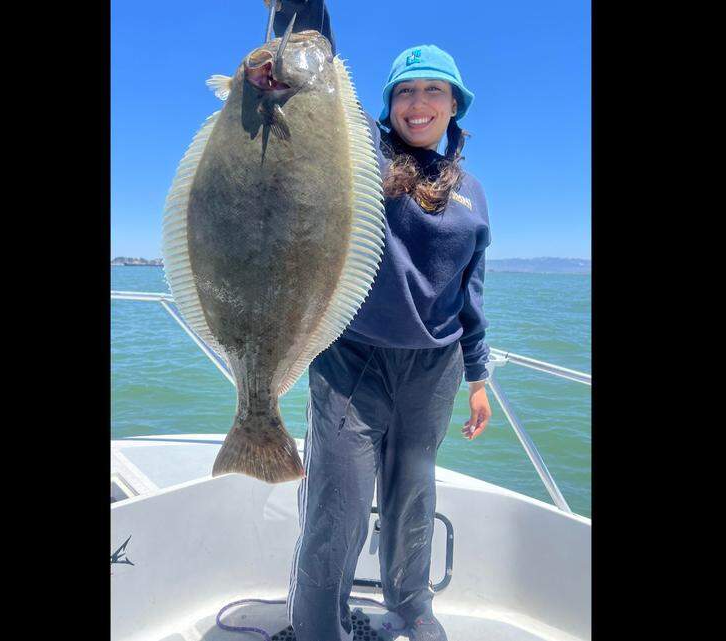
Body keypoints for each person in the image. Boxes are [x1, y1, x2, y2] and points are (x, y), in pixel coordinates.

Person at [270, 2, 492, 640]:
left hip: (436, 367)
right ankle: (317, 623)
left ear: (454, 106)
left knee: (413, 493)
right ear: (389, 103)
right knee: (338, 505)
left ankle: (412, 604)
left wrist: (478, 377)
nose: (418, 103)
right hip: (352, 360)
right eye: (406, 91)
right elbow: (315, 82)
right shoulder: (362, 152)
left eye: (434, 91)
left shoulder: (473, 192)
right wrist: (302, 11)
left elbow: (470, 291)